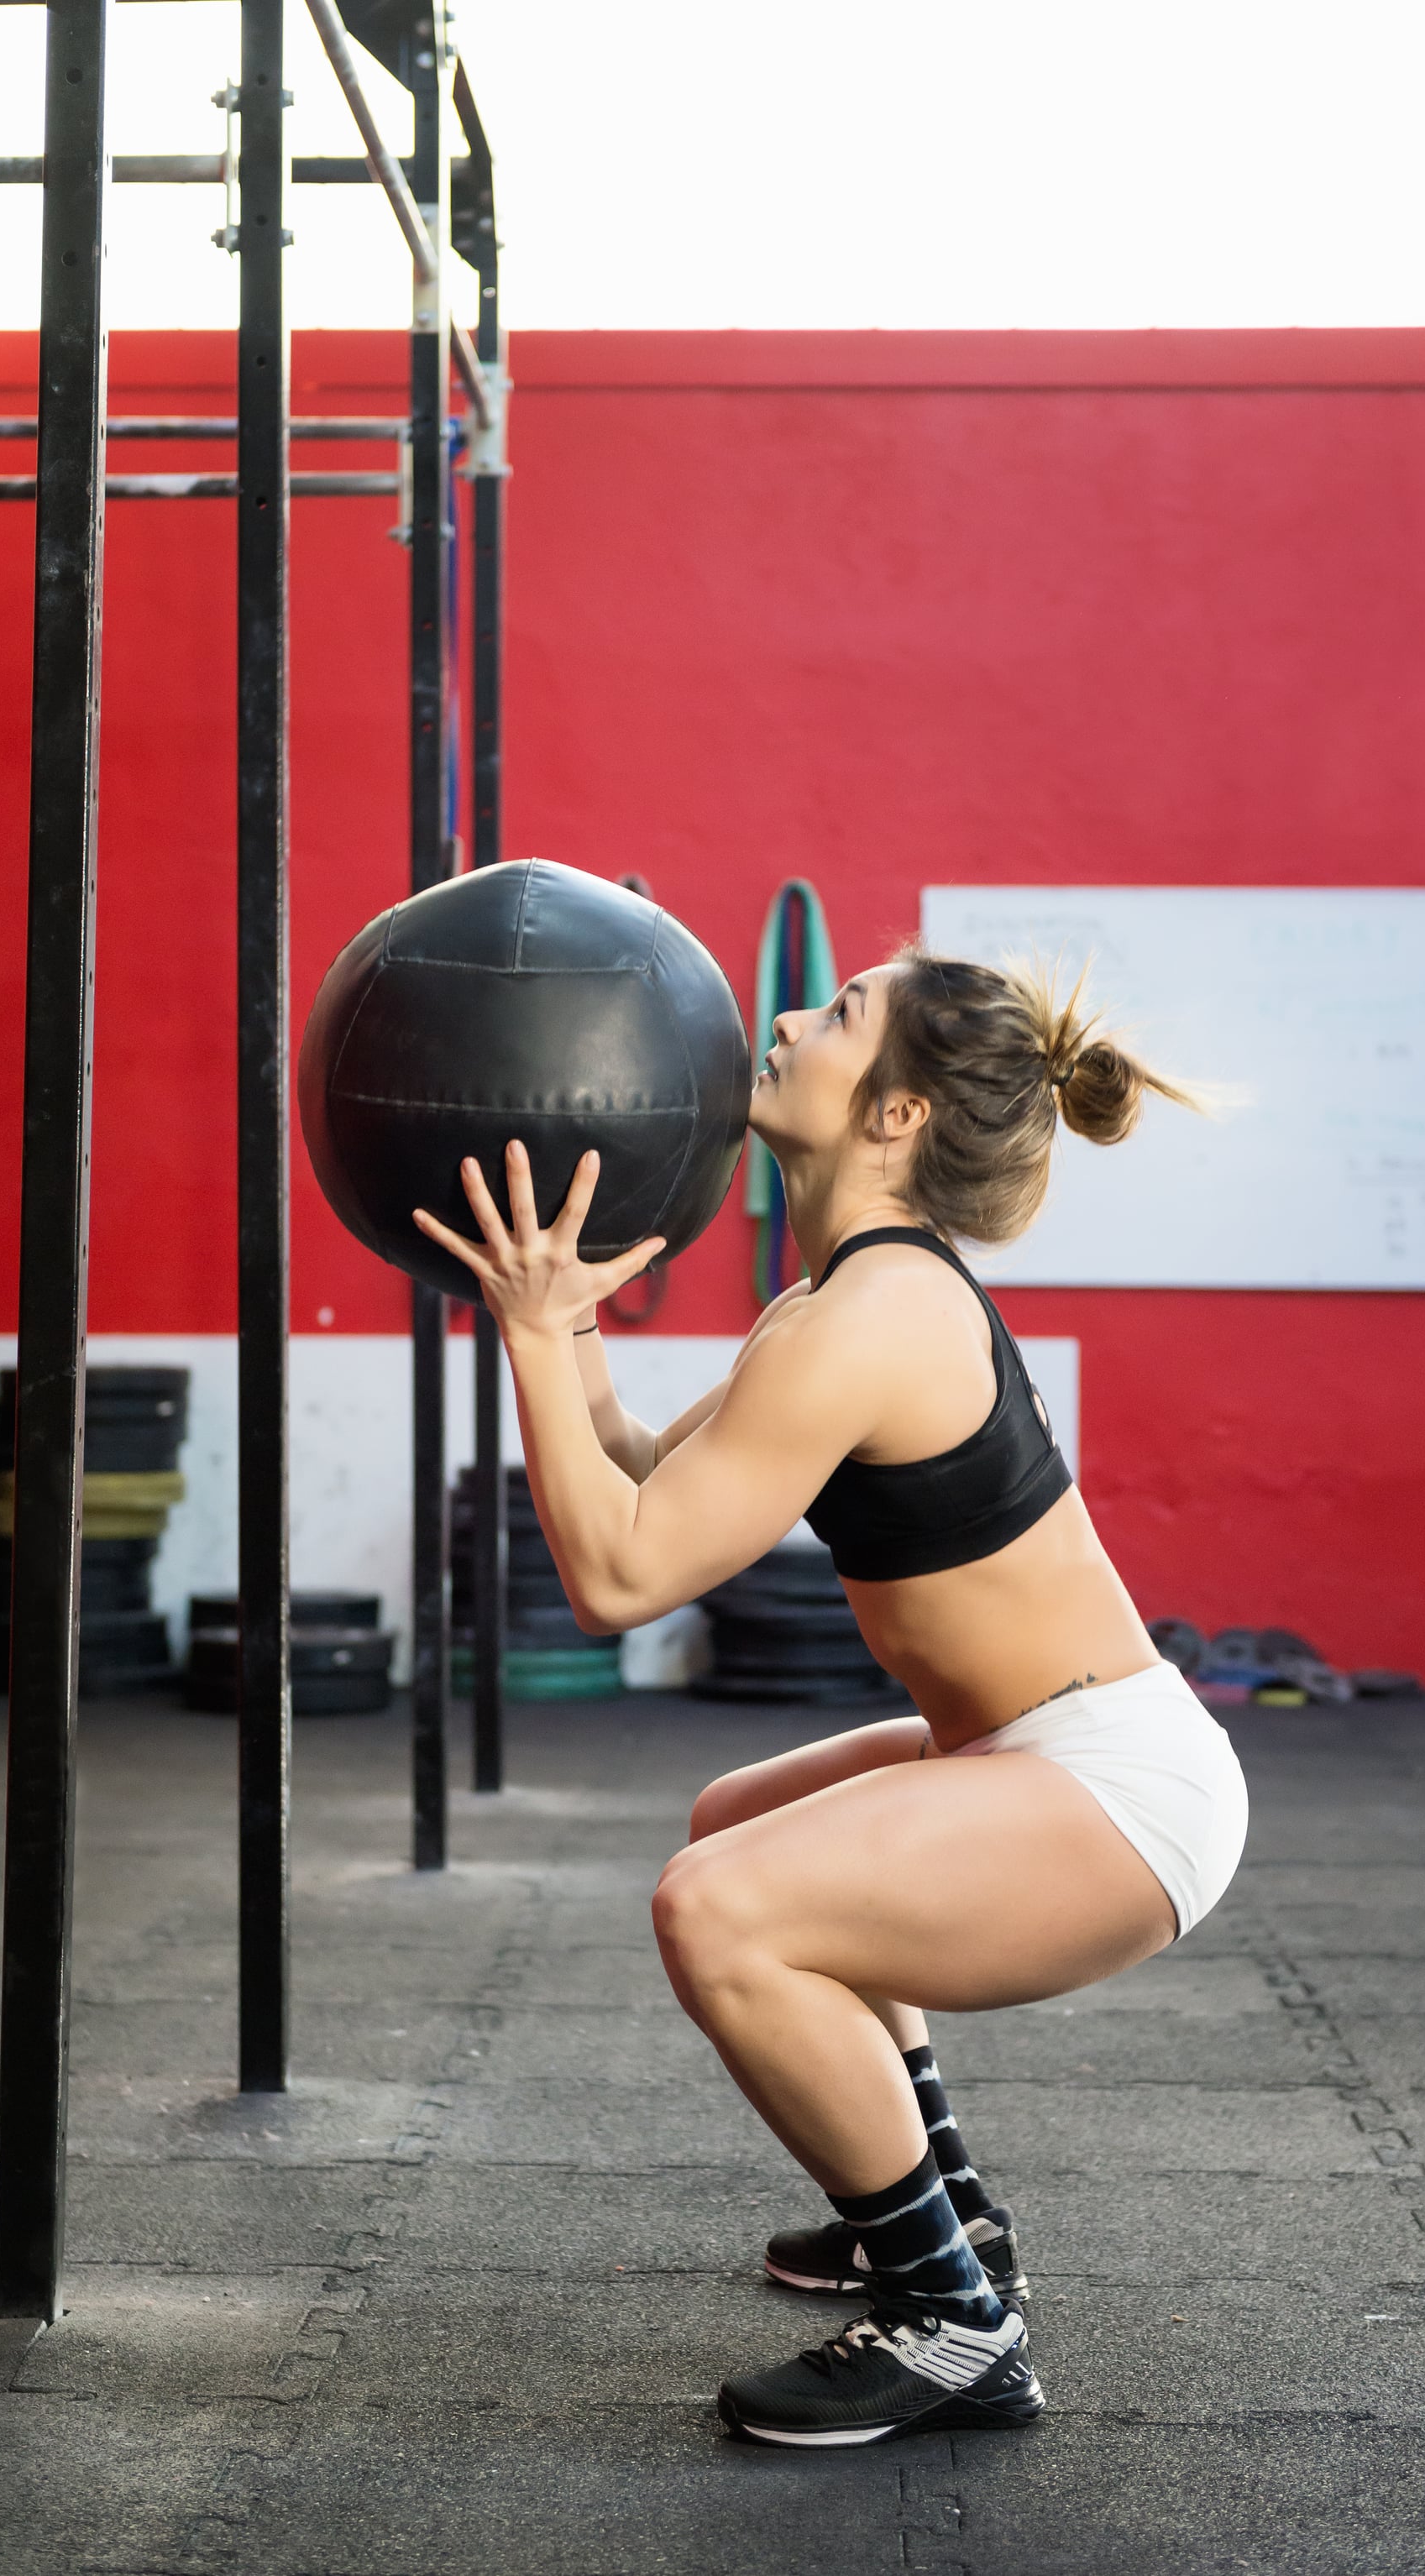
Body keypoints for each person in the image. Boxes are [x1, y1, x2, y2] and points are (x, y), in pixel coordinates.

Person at [411, 942, 1249, 2451]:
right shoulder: (841, 1297)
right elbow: (654, 1475)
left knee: (717, 1905)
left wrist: (531, 1335)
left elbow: (616, 1579)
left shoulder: (873, 1316)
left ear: (897, 1117)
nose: (789, 1019)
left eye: (840, 1015)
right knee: (742, 1820)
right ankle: (948, 2220)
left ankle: (949, 2322)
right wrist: (574, 1322)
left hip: (1120, 1792)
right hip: (1046, 1749)